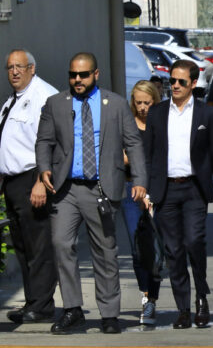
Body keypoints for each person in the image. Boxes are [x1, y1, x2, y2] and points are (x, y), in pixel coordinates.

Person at [35, 52, 147, 334]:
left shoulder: (116, 104)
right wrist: (44, 169)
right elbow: (44, 141)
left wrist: (140, 180)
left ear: (96, 74)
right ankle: (73, 309)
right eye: (73, 74)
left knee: (105, 251)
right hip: (66, 189)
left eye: (83, 75)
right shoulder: (56, 103)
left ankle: (109, 314)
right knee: (61, 244)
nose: (77, 80)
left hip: (101, 187)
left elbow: (133, 143)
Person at [143, 59, 213, 329]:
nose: (175, 86)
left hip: (195, 188)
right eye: (171, 81)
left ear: (193, 84)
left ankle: (201, 297)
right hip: (166, 190)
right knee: (173, 251)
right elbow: (148, 154)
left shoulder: (207, 114)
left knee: (194, 242)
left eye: (181, 82)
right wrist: (146, 189)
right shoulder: (157, 113)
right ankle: (183, 309)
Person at [2, 49, 58, 324]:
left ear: (32, 68)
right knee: (23, 246)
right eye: (10, 67)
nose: (14, 72)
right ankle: (33, 302)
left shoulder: (43, 96)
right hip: (12, 183)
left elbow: (52, 144)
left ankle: (43, 306)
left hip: (32, 180)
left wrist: (40, 182)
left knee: (39, 247)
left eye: (20, 66)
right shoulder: (13, 99)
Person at [121, 80, 161, 325]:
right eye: (139, 103)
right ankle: (145, 293)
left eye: (147, 102)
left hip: (156, 190)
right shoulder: (126, 125)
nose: (143, 107)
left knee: (154, 250)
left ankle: (151, 299)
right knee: (137, 249)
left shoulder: (161, 125)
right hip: (131, 191)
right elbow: (119, 156)